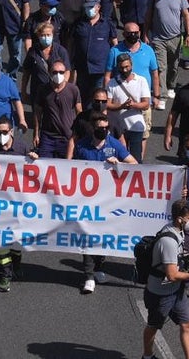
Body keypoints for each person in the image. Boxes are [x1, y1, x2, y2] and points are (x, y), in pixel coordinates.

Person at [71, 110, 137, 293]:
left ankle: (98, 267)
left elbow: (134, 164)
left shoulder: (114, 144)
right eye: (100, 128)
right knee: (88, 236)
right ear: (92, 128)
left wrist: (119, 164)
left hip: (108, 201)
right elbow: (72, 169)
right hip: (87, 201)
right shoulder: (82, 146)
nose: (104, 131)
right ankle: (88, 276)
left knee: (103, 237)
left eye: (106, 128)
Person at [141, 199, 189, 359]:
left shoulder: (178, 231)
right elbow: (172, 275)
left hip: (176, 290)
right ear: (179, 219)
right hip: (160, 294)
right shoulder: (168, 241)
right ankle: (147, 356)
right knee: (153, 327)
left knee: (187, 324)